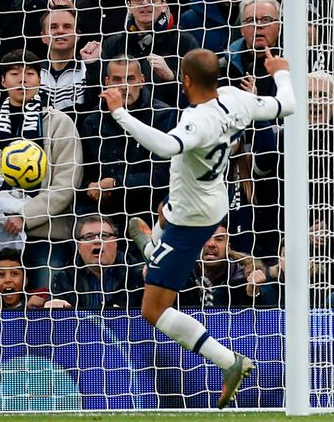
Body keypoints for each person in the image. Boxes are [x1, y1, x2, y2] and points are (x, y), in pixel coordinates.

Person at [100, 47, 295, 408]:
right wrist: (281, 72)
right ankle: (153, 245)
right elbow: (287, 105)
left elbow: (165, 146)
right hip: (207, 201)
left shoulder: (197, 120)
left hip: (191, 220)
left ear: (186, 79)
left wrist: (119, 111)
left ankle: (229, 361)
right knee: (164, 211)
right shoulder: (238, 98)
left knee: (153, 310)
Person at [0, 49, 82, 291]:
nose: (22, 80)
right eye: (14, 73)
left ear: (39, 80)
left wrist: (26, 216)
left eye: (30, 74)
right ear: (3, 80)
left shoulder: (59, 123)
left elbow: (67, 182)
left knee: (46, 306)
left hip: (46, 237)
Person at [78, 55, 175, 233]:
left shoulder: (163, 116)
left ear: (142, 81)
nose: (124, 86)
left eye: (130, 79)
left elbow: (163, 177)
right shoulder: (92, 121)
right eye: (117, 80)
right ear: (107, 82)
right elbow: (85, 174)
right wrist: (92, 187)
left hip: (151, 213)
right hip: (103, 215)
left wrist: (117, 183)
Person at [94, 0, 199, 107]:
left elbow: (199, 93)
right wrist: (93, 65)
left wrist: (171, 77)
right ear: (129, 5)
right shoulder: (113, 44)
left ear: (164, 5)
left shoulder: (184, 41)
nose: (145, 3)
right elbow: (96, 96)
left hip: (169, 120)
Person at [47, 216, 144, 310]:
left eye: (104, 235)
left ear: (116, 243)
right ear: (79, 247)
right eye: (89, 237)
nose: (98, 240)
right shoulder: (64, 279)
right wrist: (55, 305)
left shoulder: (139, 276)